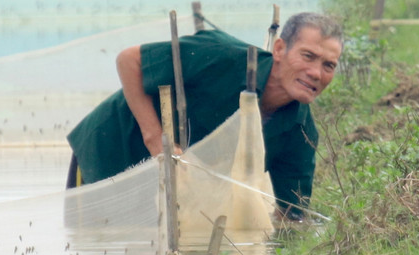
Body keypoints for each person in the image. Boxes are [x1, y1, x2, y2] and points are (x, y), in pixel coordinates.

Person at [66, 11, 345, 217]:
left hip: (171, 191)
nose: (316, 73)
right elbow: (129, 60)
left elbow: (292, 214)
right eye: (308, 56)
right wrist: (157, 140)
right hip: (113, 150)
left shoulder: (301, 132)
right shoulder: (221, 56)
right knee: (94, 247)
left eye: (328, 65)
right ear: (280, 49)